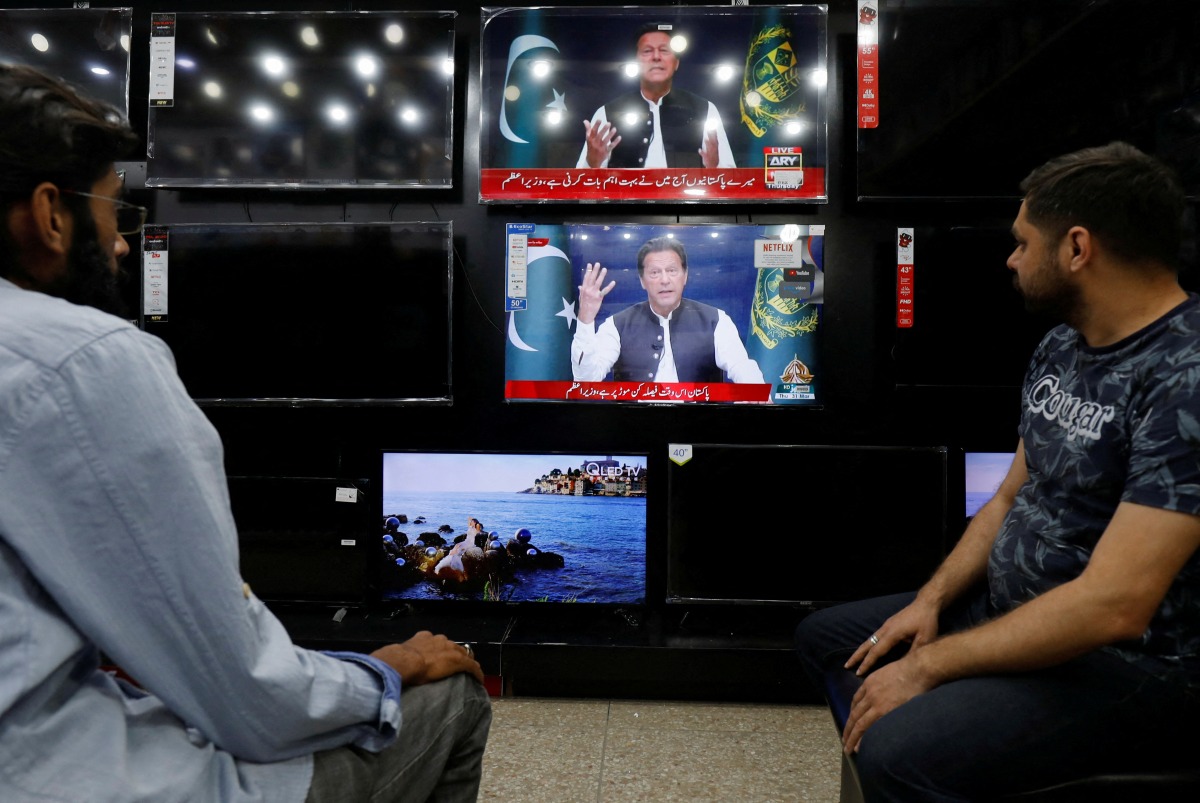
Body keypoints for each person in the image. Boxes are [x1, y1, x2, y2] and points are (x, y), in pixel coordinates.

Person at [0, 65, 490, 803]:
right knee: (452, 693)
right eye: (114, 211)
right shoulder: (83, 358)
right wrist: (387, 666)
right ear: (49, 214)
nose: (126, 244)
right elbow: (251, 698)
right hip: (57, 775)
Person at [795, 142, 1200, 801]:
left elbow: (1114, 606)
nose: (1011, 259)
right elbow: (1012, 493)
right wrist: (930, 604)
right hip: (1017, 611)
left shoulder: (1184, 376)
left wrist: (928, 665)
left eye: (1021, 242)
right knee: (828, 640)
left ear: (1077, 248)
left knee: (897, 753)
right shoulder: (1064, 342)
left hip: (1127, 668)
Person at [571, 236, 764, 384]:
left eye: (672, 271)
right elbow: (586, 379)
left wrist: (756, 390)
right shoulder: (617, 324)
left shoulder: (716, 320)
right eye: (654, 272)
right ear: (642, 281)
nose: (665, 280)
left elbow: (741, 366)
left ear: (685, 275)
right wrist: (586, 319)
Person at [576, 23, 735, 170]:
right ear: (636, 62)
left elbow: (729, 180)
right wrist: (593, 163)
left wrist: (713, 169)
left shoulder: (705, 110)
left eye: (664, 50)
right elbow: (583, 184)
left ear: (676, 63)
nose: (656, 57)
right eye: (647, 51)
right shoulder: (606, 113)